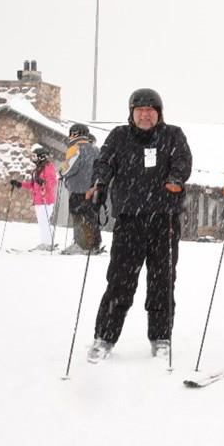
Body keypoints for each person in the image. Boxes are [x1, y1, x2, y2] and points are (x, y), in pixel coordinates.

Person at [85, 88, 192, 362]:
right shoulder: (119, 136)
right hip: (129, 220)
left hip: (164, 220)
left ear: (159, 113)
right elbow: (104, 162)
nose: (145, 115)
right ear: (132, 113)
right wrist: (99, 183)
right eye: (140, 110)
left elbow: (183, 161)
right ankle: (104, 338)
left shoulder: (173, 135)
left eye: (150, 110)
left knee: (162, 281)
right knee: (120, 281)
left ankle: (161, 338)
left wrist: (176, 178)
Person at [60, 124, 102, 255]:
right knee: (91, 215)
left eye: (71, 134)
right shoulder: (95, 149)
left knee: (78, 214)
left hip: (78, 188)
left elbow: (69, 168)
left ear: (75, 134)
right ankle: (94, 243)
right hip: (92, 188)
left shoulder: (75, 148)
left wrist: (61, 171)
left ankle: (81, 244)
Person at [11, 144, 58, 251]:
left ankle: (47, 244)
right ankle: (46, 243)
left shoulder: (48, 167)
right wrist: (20, 184)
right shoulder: (38, 169)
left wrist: (43, 183)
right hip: (38, 201)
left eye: (35, 156)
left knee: (44, 223)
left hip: (45, 200)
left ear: (41, 157)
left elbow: (52, 182)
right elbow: (33, 185)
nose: (33, 158)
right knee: (42, 223)